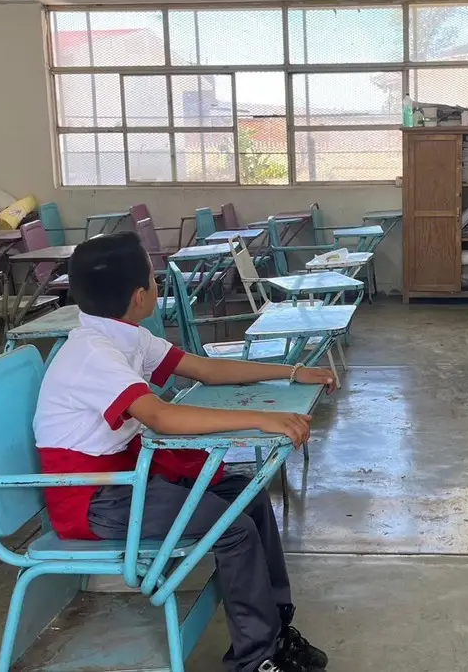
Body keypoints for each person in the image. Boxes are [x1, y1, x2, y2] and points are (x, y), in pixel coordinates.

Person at [34, 232, 334, 672]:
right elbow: (161, 418)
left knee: (246, 497)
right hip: (94, 499)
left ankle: (274, 629)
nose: (158, 286)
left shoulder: (124, 336)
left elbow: (204, 369)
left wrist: (292, 371)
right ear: (140, 296)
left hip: (127, 481)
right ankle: (258, 659)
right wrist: (257, 419)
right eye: (154, 280)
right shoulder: (92, 353)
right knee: (232, 528)